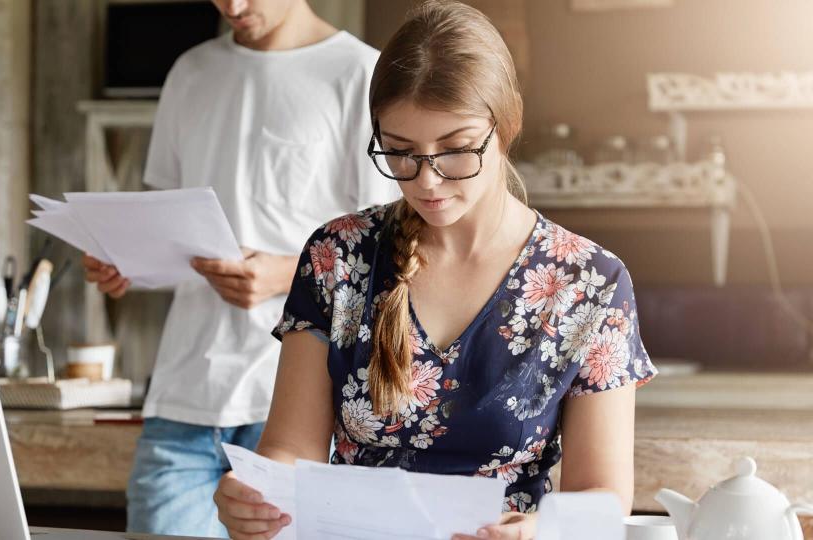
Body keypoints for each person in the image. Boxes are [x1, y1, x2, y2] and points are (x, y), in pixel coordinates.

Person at [212, 1, 658, 539]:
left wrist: (538, 532)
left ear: (506, 127)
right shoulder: (339, 255)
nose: (427, 181)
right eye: (400, 153)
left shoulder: (590, 283)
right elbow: (289, 447)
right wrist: (257, 496)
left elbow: (603, 499)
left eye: (455, 150)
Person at [82, 0, 397, 536]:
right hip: (184, 394)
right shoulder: (191, 72)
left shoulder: (360, 73)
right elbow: (172, 223)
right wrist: (130, 260)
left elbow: (392, 246)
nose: (234, 6)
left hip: (301, 403)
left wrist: (288, 275)